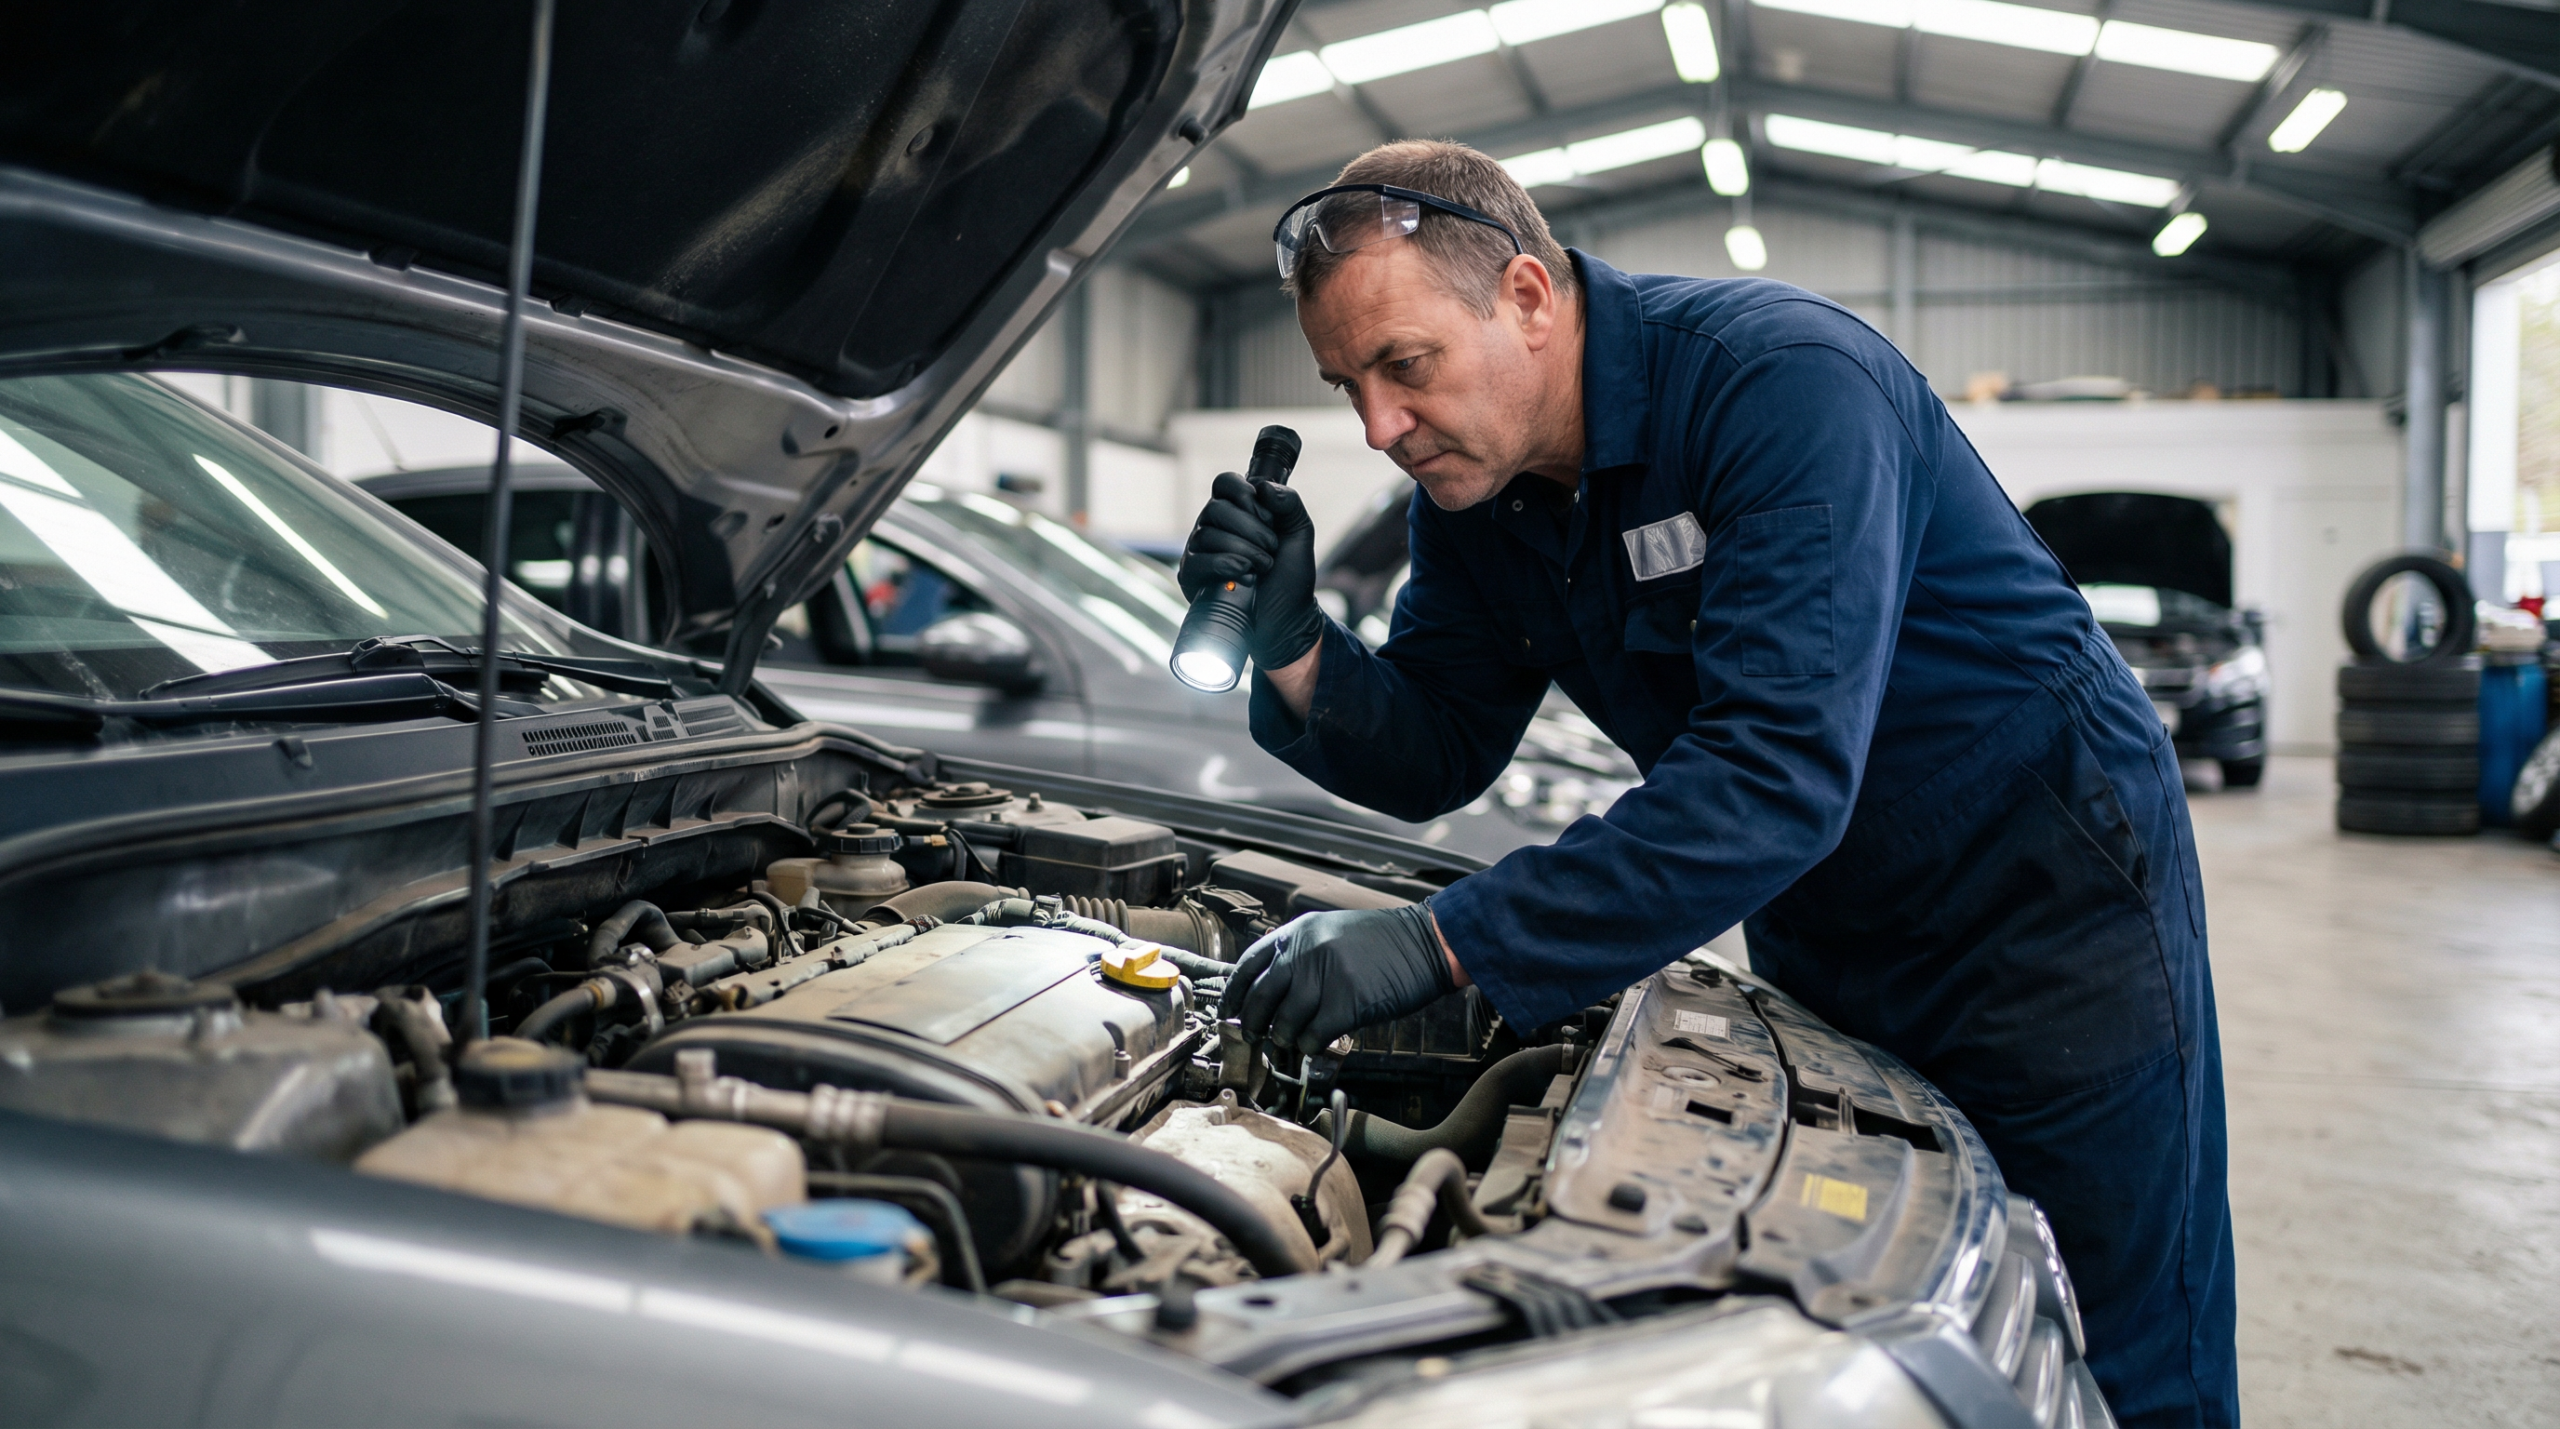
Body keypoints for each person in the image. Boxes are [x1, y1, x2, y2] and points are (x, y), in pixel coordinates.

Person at [1183, 140, 2235, 1427]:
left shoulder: (1778, 387)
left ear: (1524, 295)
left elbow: (1776, 771)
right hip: (1826, 903)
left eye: (1405, 367)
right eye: (1348, 385)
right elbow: (1438, 749)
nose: (1379, 429)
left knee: (2106, 1332)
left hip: (2040, 891)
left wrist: (1446, 942)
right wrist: (1296, 645)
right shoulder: (1475, 499)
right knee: (1885, 1313)